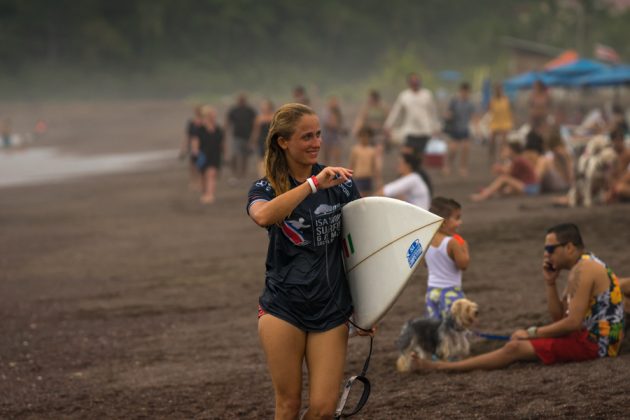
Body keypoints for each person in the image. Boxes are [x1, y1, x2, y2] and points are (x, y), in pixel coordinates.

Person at [246, 103, 369, 419]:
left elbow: (360, 245)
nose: (316, 143)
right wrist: (312, 185)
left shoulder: (341, 184)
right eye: (306, 137)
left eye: (318, 135)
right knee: (287, 404)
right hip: (283, 307)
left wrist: (370, 305)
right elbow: (262, 216)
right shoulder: (266, 187)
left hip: (331, 307)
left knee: (324, 409)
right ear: (283, 142)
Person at [412, 223, 625, 372]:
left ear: (569, 247)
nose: (546, 255)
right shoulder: (582, 266)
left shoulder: (584, 269)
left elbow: (571, 323)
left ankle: (442, 366)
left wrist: (531, 333)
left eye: (551, 249)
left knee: (515, 348)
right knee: (520, 341)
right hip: (591, 338)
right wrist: (550, 282)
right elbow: (559, 317)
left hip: (597, 344)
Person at [423, 197, 470, 320]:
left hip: (432, 292)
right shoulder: (452, 242)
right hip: (451, 292)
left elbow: (425, 264)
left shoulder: (426, 241)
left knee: (435, 328)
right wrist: (464, 247)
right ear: (443, 222)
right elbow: (463, 265)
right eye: (457, 218)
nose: (460, 222)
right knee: (455, 328)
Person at [384, 73, 441, 160]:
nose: (415, 83)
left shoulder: (427, 94)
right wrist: (388, 125)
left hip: (424, 131)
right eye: (413, 81)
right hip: (410, 130)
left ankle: (416, 171)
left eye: (417, 80)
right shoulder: (404, 96)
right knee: (407, 154)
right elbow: (395, 112)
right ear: (409, 82)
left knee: (419, 157)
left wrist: (436, 127)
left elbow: (433, 112)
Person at [470, 142, 539, 202]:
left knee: (504, 179)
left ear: (512, 151)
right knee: (506, 188)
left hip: (531, 188)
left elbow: (510, 174)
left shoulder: (518, 160)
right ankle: (488, 192)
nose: (504, 151)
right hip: (529, 187)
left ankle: (484, 195)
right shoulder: (518, 159)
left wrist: (500, 169)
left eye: (506, 149)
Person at [352, 89, 389, 188]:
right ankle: (369, 175)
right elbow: (361, 118)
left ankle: (378, 177)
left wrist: (389, 133)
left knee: (378, 154)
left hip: (379, 135)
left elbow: (389, 120)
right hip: (369, 135)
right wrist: (357, 129)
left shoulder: (383, 107)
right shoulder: (367, 108)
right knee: (368, 154)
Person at [192, 106, 224, 204]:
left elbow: (222, 143)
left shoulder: (218, 128)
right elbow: (195, 141)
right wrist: (195, 151)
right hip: (203, 155)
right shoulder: (200, 129)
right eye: (212, 115)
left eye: (214, 115)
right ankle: (205, 193)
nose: (214, 116)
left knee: (211, 174)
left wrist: (224, 154)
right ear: (207, 116)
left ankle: (210, 194)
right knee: (203, 176)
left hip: (215, 154)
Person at [444, 82, 476, 176]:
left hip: (465, 129)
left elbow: (473, 116)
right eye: (463, 91)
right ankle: (448, 165)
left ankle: (463, 167)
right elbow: (447, 113)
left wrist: (476, 128)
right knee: (453, 149)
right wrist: (449, 116)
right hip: (455, 129)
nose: (464, 94)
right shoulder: (455, 102)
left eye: (466, 92)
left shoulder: (470, 104)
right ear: (460, 91)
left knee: (466, 148)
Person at [226, 93, 257, 180]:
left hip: (247, 137)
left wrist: (253, 136)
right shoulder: (234, 110)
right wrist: (225, 133)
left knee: (245, 157)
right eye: (240, 99)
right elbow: (228, 121)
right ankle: (235, 173)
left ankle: (243, 174)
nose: (241, 101)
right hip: (237, 136)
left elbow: (255, 123)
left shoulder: (250, 111)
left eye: (242, 99)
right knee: (234, 155)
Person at [487, 83, 514, 162]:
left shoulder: (506, 99)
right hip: (495, 122)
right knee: (492, 140)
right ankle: (491, 155)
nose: (499, 91)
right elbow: (489, 110)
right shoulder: (493, 100)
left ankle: (503, 157)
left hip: (505, 122)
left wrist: (511, 121)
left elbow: (510, 111)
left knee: (503, 141)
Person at [348, 126, 377, 196]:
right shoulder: (355, 150)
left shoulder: (372, 150)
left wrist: (378, 179)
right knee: (360, 197)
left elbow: (374, 166)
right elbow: (352, 164)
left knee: (367, 198)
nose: (365, 138)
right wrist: (349, 178)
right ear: (359, 137)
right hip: (359, 177)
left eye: (367, 136)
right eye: (363, 136)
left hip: (368, 178)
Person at [180, 105, 203, 191]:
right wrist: (184, 147)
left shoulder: (204, 122)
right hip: (192, 145)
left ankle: (200, 181)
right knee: (192, 164)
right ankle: (193, 181)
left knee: (200, 164)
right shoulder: (191, 122)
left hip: (202, 145)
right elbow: (187, 135)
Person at [250, 99, 275, 176]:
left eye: (266, 107)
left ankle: (272, 174)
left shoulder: (274, 117)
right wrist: (253, 141)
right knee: (262, 159)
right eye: (263, 107)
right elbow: (256, 131)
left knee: (272, 158)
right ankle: (262, 175)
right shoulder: (259, 118)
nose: (264, 109)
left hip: (272, 140)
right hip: (262, 141)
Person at [321, 96, 345, 166]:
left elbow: (339, 123)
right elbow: (327, 124)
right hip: (327, 136)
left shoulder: (338, 112)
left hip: (336, 137)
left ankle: (337, 172)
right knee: (326, 157)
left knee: (336, 156)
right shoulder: (326, 112)